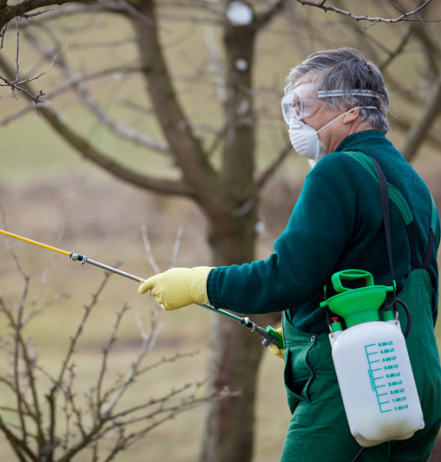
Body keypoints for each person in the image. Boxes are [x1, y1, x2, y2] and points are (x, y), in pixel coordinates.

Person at [138, 48, 441, 461]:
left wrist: (199, 283)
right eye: (291, 107)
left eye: (305, 106)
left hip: (356, 382)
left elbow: (286, 278)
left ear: (350, 110)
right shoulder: (409, 178)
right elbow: (390, 279)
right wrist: (307, 327)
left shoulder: (338, 172)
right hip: (417, 377)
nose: (297, 120)